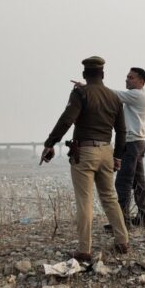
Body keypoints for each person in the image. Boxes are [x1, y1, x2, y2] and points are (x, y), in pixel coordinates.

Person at [41, 56, 129, 261]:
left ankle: (84, 250)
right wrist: (118, 156)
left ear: (84, 75)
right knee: (110, 197)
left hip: (85, 153)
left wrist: (50, 142)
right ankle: (122, 241)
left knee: (85, 201)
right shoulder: (114, 98)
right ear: (103, 74)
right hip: (107, 151)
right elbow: (122, 131)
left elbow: (67, 120)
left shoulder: (80, 93)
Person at [110, 68, 145, 228]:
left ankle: (122, 222)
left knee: (123, 182)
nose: (127, 80)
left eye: (131, 77)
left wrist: (91, 87)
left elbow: (113, 94)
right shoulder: (144, 97)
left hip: (131, 144)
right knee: (138, 182)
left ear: (141, 82)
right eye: (127, 77)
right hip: (138, 143)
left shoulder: (136, 95)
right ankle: (144, 217)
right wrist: (141, 134)